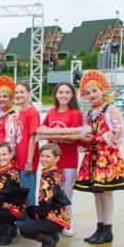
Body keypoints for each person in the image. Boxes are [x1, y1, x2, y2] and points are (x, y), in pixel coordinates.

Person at [74, 70, 124, 244]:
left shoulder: (111, 110)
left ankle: (107, 229)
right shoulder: (88, 115)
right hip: (93, 156)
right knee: (97, 193)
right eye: (88, 92)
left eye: (94, 91)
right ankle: (100, 228)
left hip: (106, 156)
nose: (92, 95)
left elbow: (119, 133)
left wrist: (97, 138)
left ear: (101, 90)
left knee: (106, 193)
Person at [41, 82, 83, 237]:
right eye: (61, 92)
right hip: (51, 160)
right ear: (56, 94)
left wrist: (56, 135)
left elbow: (76, 137)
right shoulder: (51, 112)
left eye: (67, 92)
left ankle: (67, 223)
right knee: (50, 192)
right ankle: (52, 221)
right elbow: (42, 130)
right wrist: (59, 135)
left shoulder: (75, 114)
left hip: (68, 160)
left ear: (72, 95)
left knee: (66, 193)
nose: (63, 95)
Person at [19, 144, 71, 247]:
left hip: (56, 219)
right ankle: (53, 235)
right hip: (57, 213)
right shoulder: (52, 171)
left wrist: (42, 217)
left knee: (25, 229)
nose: (43, 159)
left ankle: (47, 241)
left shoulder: (49, 177)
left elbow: (45, 202)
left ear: (56, 158)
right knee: (31, 209)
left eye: (48, 156)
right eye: (42, 156)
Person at [14, 82, 39, 226]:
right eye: (16, 92)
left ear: (29, 93)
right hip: (19, 159)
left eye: (22, 92)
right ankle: (22, 221)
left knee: (28, 193)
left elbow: (33, 138)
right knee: (20, 192)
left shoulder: (32, 112)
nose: (19, 95)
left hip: (27, 161)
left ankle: (29, 224)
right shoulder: (20, 112)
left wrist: (29, 161)